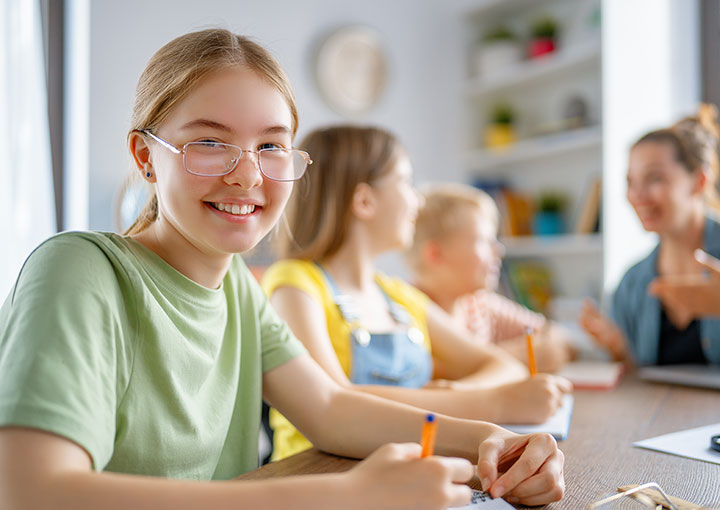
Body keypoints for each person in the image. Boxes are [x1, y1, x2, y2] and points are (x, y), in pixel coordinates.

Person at [0, 29, 565, 509]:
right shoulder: (80, 271)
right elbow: (31, 490)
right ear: (146, 157)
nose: (248, 176)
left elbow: (332, 408)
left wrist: (490, 441)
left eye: (271, 146)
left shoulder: (240, 294)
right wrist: (345, 496)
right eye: (209, 143)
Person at [263, 125, 572, 462]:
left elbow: (502, 365)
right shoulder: (294, 284)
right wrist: (496, 401)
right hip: (315, 475)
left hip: (410, 471)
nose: (418, 200)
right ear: (364, 201)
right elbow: (335, 401)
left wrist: (454, 392)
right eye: (406, 183)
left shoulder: (400, 296)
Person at [580, 104, 720, 366]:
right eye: (630, 182)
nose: (637, 195)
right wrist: (618, 348)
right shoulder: (631, 285)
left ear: (700, 181)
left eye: (654, 178)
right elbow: (640, 381)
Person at [407, 182, 575, 373]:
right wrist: (515, 358)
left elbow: (558, 336)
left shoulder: (479, 306)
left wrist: (488, 362)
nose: (499, 250)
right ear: (435, 254)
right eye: (483, 241)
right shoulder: (406, 316)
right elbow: (431, 375)